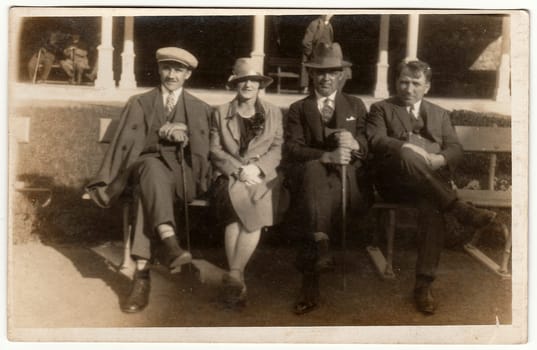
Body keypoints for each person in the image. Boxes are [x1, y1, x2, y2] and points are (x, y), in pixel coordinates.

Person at [85, 47, 212, 313]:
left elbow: (202, 155)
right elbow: (130, 146)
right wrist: (160, 135)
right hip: (142, 168)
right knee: (151, 168)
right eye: (167, 68)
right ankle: (167, 246)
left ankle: (142, 276)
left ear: (187, 74)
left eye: (178, 70)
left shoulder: (199, 109)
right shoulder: (140, 102)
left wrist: (185, 132)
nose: (171, 75)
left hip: (181, 178)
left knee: (146, 192)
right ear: (159, 70)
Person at [366, 59, 498, 315]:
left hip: (428, 187)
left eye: (416, 83)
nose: (408, 88)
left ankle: (423, 285)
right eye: (403, 82)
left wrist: (441, 157)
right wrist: (405, 146)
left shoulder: (439, 113)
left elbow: (455, 149)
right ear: (396, 83)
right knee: (407, 155)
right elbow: (376, 139)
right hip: (395, 183)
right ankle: (458, 208)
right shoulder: (381, 108)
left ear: (427, 87)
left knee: (432, 208)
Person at [285, 42, 372, 315]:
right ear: (311, 75)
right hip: (311, 181)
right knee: (312, 171)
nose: (325, 78)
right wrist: (324, 157)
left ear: (341, 75)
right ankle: (320, 246)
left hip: (347, 183)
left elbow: (368, 146)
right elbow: (293, 149)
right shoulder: (299, 108)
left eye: (331, 72)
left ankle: (314, 269)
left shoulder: (356, 105)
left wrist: (355, 143)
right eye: (319, 73)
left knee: (316, 202)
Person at [210, 58, 286, 308]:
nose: (249, 85)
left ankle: (234, 275)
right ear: (235, 84)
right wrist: (238, 169)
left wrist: (258, 168)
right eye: (243, 80)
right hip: (230, 175)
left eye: (253, 80)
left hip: (262, 176)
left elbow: (277, 148)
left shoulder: (273, 113)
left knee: (255, 204)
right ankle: (238, 278)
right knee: (236, 213)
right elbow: (215, 150)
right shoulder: (220, 113)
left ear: (260, 85)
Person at [300, 15, 334, 94]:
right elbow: (306, 42)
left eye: (330, 13)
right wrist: (311, 54)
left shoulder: (329, 26)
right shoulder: (314, 24)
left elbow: (330, 41)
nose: (328, 14)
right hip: (313, 54)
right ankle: (306, 88)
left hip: (324, 55)